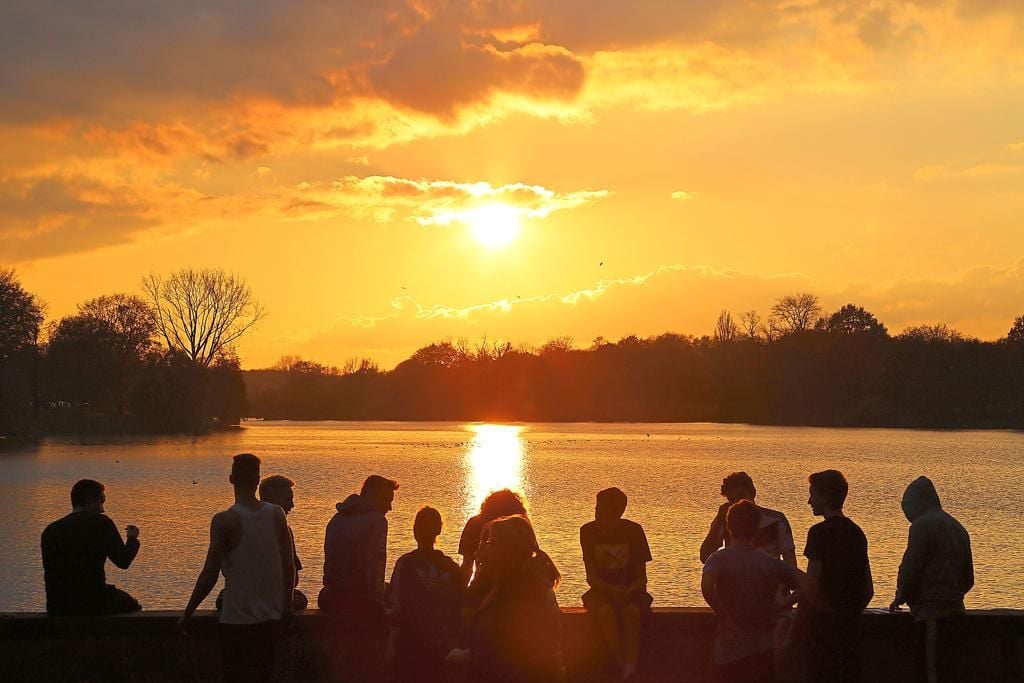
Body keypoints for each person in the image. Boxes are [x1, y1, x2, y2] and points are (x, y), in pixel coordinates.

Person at [178, 454, 295, 683]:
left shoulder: (224, 521)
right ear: (258, 480)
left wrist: (188, 612)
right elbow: (288, 567)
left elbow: (210, 574)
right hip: (270, 620)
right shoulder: (276, 514)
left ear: (231, 479)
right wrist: (287, 607)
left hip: (237, 622)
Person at [702, 501, 807, 683]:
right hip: (763, 648)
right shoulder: (770, 563)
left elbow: (707, 587)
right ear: (757, 527)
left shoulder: (718, 560)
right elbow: (806, 585)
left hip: (728, 647)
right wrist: (783, 605)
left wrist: (725, 618)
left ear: (728, 525)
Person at [788, 469, 873, 683]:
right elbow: (868, 588)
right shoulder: (857, 533)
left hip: (822, 630)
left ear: (824, 497)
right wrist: (848, 614)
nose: (809, 501)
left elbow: (811, 585)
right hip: (850, 628)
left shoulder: (818, 533)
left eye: (812, 494)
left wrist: (785, 603)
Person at [889, 476, 974, 683]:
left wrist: (901, 595)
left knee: (931, 673)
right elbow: (968, 578)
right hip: (957, 613)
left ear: (915, 503)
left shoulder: (922, 526)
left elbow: (911, 567)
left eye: (905, 507)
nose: (906, 515)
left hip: (932, 615)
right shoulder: (957, 527)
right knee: (952, 672)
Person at [466, 514, 565, 683]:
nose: (481, 549)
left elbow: (498, 655)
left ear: (505, 551)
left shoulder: (517, 596)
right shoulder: (525, 585)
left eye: (488, 543)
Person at [319, 474, 399, 682]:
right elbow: (375, 566)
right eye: (386, 500)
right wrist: (380, 605)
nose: (389, 507)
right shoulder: (377, 521)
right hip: (359, 602)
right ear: (369, 496)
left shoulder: (336, 518)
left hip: (333, 596)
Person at [579, 487, 652, 682]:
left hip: (631, 589)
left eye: (603, 511)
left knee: (631, 613)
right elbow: (591, 578)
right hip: (601, 590)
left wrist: (626, 591)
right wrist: (611, 590)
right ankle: (625, 668)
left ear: (617, 512)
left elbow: (642, 578)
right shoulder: (587, 531)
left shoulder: (634, 531)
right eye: (596, 509)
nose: (597, 515)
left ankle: (629, 665)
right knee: (605, 614)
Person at [386, 506, 465, 683]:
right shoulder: (452, 568)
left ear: (414, 530)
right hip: (442, 644)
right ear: (439, 530)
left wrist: (391, 646)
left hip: (410, 644)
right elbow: (458, 607)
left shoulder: (405, 563)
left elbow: (397, 608)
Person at [41, 479, 142, 616]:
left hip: (57, 605)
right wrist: (132, 539)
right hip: (94, 601)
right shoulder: (101, 523)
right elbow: (123, 561)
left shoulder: (50, 531)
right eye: (101, 501)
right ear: (89, 500)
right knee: (132, 604)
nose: (102, 509)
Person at [699, 472, 796, 566]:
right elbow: (705, 557)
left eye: (741, 497)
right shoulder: (725, 520)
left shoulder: (776, 520)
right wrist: (720, 519)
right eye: (732, 500)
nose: (738, 503)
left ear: (753, 493)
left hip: (769, 578)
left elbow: (791, 563)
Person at [260, 474, 308, 611]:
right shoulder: (284, 531)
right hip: (272, 598)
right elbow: (292, 576)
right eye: (288, 499)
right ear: (272, 500)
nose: (292, 505)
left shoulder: (243, 524)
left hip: (248, 597)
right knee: (300, 599)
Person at [459, 488, 528, 580]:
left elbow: (467, 566)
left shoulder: (475, 524)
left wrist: (460, 591)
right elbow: (531, 558)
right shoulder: (521, 526)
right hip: (518, 584)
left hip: (484, 585)